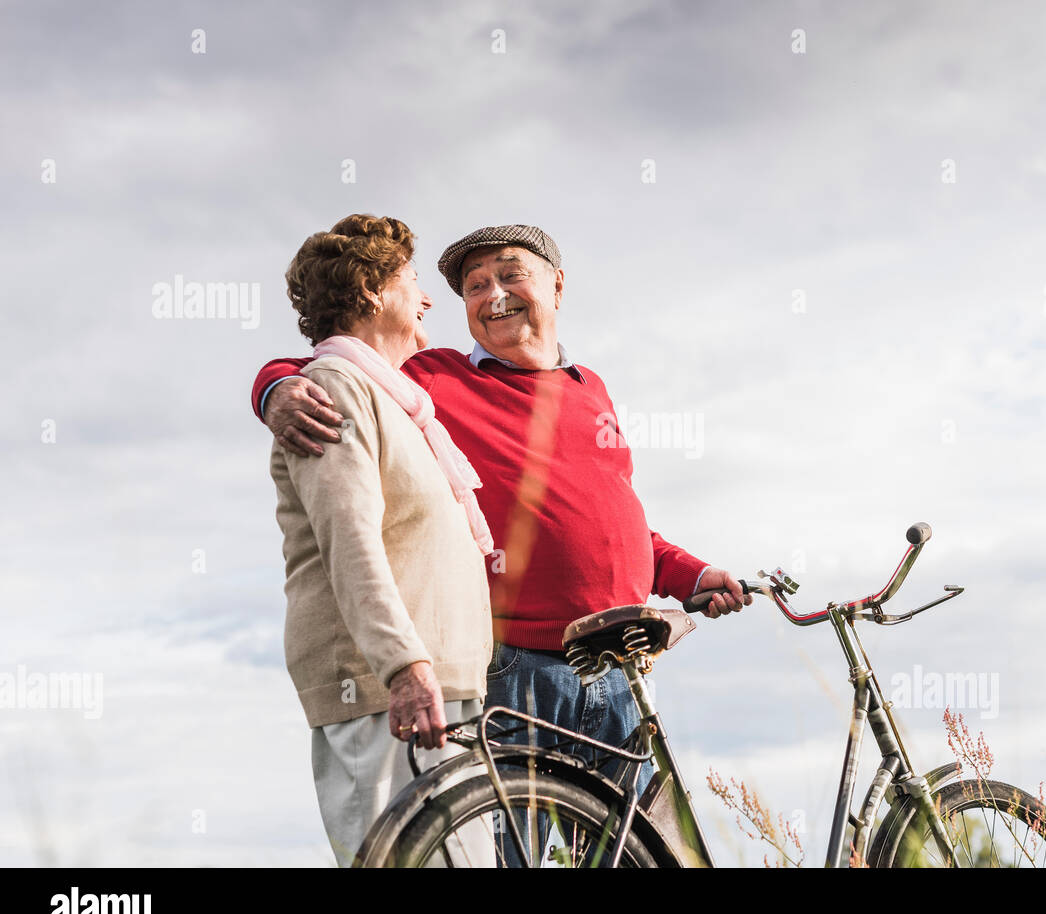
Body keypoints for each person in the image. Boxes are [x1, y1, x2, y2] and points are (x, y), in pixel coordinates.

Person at [253, 223, 751, 803]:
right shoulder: (434, 375)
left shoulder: (592, 389)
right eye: (475, 285)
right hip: (513, 669)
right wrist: (274, 388)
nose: (493, 294)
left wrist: (689, 573)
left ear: (557, 286)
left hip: (620, 670)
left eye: (511, 274)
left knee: (641, 847)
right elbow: (338, 353)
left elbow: (615, 518)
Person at [269, 214, 495, 867]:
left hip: (432, 685)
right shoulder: (335, 387)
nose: (428, 299)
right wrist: (404, 665)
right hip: (380, 690)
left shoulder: (397, 398)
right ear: (372, 290)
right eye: (414, 280)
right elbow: (351, 538)